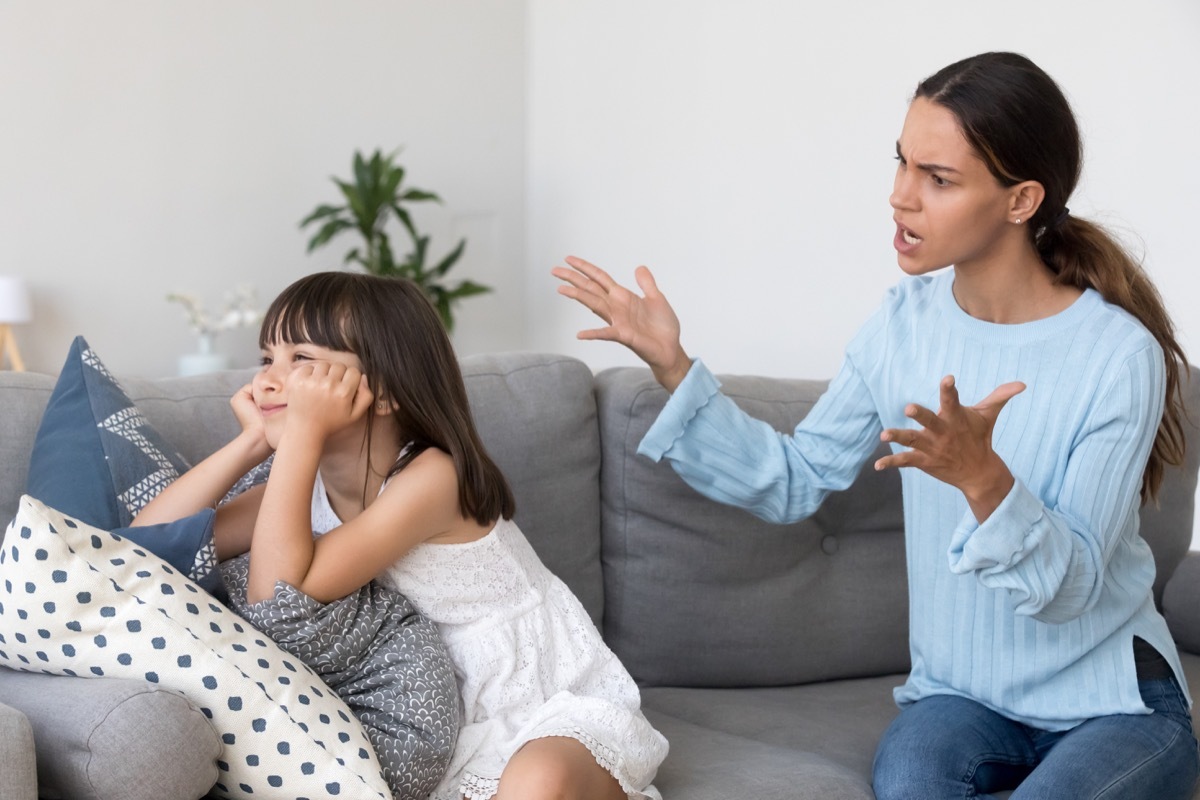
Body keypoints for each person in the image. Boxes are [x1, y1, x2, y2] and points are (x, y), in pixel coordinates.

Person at [553, 51, 1198, 800]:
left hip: (1114, 699)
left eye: (938, 179)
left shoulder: (1118, 355)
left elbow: (1074, 590)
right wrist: (672, 366)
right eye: (902, 163)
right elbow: (794, 480)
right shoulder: (902, 328)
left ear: (1021, 200)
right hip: (963, 696)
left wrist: (985, 482)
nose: (900, 198)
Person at [134, 271, 667, 800]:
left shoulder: (434, 477)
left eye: (302, 359)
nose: (267, 381)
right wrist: (253, 443)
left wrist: (296, 437)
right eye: (266, 358)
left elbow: (284, 590)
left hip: (540, 699)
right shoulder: (301, 486)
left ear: (383, 391)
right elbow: (149, 544)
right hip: (436, 714)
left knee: (536, 781)